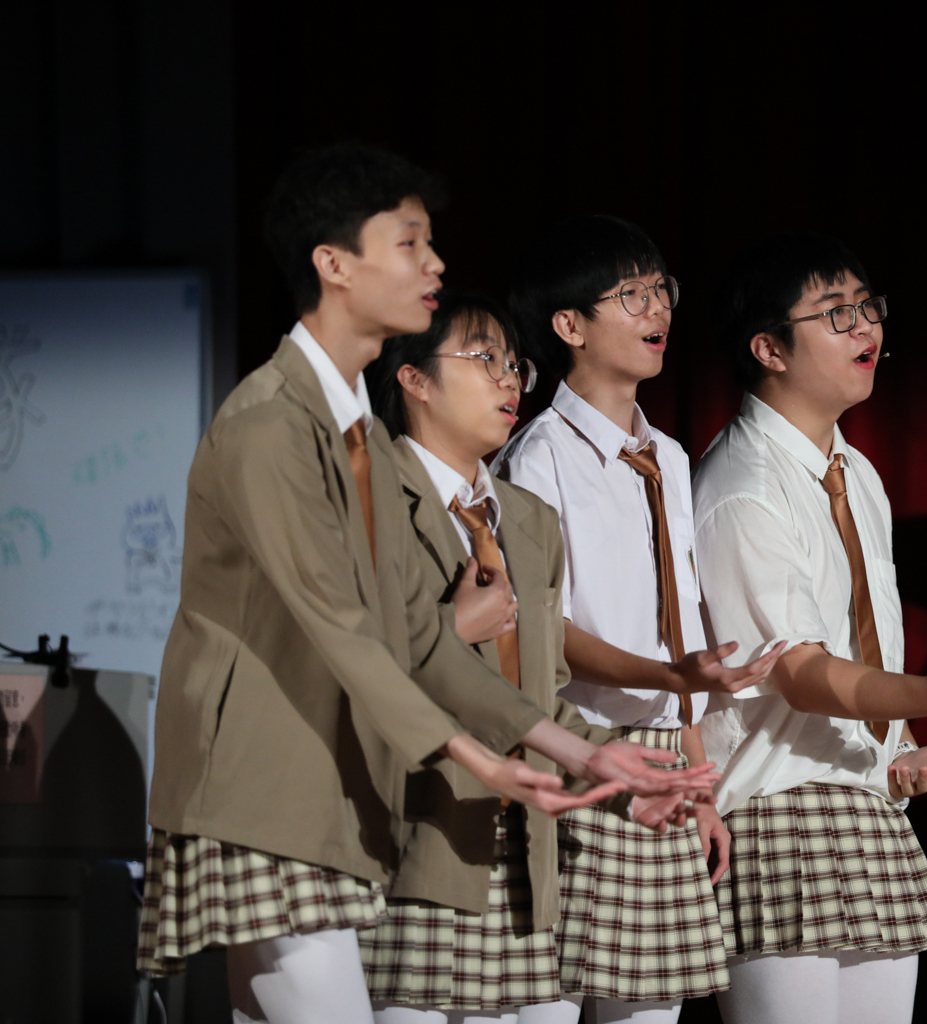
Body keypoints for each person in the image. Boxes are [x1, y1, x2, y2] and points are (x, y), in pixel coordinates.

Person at [136, 146, 713, 1024]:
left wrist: (582, 753)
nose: (434, 264)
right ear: (335, 265)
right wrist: (483, 758)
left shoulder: (359, 436)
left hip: (337, 796)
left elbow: (415, 634)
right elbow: (343, 631)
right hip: (263, 788)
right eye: (408, 244)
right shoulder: (271, 425)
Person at [690, 232, 927, 1024]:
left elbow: (858, 636)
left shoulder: (855, 472)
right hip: (777, 810)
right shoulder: (741, 484)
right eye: (835, 313)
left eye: (868, 306)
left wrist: (896, 755)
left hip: (866, 805)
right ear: (769, 348)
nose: (866, 327)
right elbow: (798, 672)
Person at [496, 215, 783, 1024]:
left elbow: (678, 623)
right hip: (579, 751)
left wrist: (699, 782)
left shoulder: (670, 456)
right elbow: (537, 630)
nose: (658, 310)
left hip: (663, 760)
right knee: (547, 1001)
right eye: (631, 294)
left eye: (661, 290)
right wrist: (664, 675)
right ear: (570, 325)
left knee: (651, 1010)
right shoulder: (538, 455)